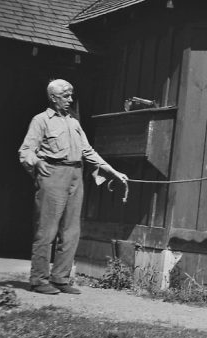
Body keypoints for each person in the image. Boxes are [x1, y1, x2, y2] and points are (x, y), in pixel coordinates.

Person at [19, 79, 128, 294]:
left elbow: (88, 152)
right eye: (65, 96)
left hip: (76, 176)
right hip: (53, 174)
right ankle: (39, 279)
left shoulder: (74, 123)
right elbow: (25, 151)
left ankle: (60, 278)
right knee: (47, 230)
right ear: (53, 97)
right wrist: (36, 162)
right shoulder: (40, 121)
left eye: (71, 95)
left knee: (71, 231)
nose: (70, 100)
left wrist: (113, 172)